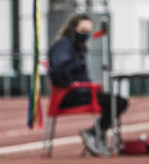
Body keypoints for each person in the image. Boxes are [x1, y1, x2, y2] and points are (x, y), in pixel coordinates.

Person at [47, 13, 129, 156]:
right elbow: (58, 69)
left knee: (119, 102)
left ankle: (95, 132)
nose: (86, 35)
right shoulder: (64, 46)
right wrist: (72, 83)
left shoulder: (77, 46)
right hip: (69, 95)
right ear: (73, 28)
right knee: (116, 102)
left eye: (88, 32)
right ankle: (95, 133)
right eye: (83, 31)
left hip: (82, 92)